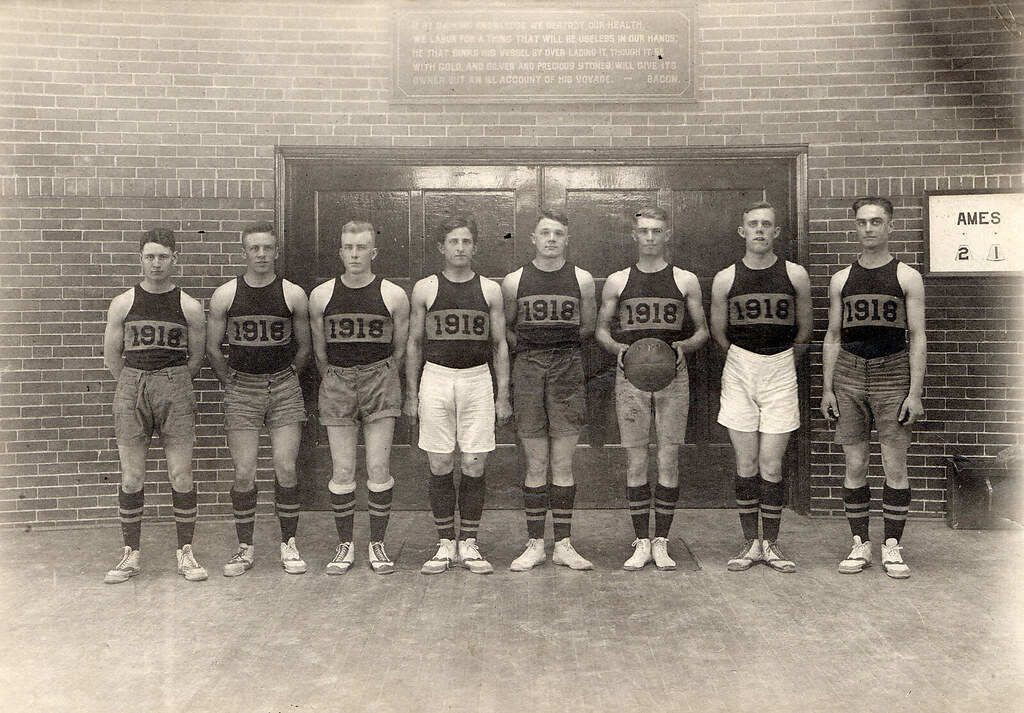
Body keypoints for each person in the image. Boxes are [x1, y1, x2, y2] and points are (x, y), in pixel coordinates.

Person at [595, 207, 709, 571]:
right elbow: (600, 330)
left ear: (667, 234)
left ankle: (662, 541)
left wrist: (685, 347)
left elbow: (703, 331)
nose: (649, 237)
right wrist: (618, 350)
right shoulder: (617, 280)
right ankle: (641, 540)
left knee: (669, 458)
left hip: (673, 376)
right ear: (634, 235)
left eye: (656, 231)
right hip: (630, 378)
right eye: (643, 231)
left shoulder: (685, 279)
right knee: (636, 459)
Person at [820, 197, 925, 579]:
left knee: (895, 465)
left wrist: (915, 392)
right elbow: (832, 335)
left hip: (893, 372)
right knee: (856, 463)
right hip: (848, 372)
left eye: (876, 221)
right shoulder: (841, 278)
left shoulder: (907, 277)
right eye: (862, 222)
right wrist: (828, 388)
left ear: (890, 226)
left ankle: (893, 546)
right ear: (855, 227)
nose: (869, 228)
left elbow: (917, 336)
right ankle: (859, 543)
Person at [404, 216, 512, 575]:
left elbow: (499, 344)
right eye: (453, 242)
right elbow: (414, 344)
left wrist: (503, 394)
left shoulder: (490, 289)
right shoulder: (425, 288)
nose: (460, 248)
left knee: (474, 463)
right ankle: (445, 543)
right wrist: (410, 394)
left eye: (466, 241)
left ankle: (469, 542)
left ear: (475, 246)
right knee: (440, 464)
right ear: (442, 247)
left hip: (477, 380)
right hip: (436, 378)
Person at [709, 201, 811, 573]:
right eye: (753, 224)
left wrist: (783, 361)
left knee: (772, 463)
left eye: (767, 224)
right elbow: (718, 333)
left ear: (776, 232)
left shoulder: (795, 274)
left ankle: (772, 544)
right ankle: (750, 543)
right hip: (739, 366)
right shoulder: (725, 278)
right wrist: (743, 360)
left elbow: (806, 330)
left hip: (781, 366)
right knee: (746, 461)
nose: (760, 231)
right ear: (742, 231)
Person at [102, 227, 208, 583]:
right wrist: (135, 382)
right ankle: (130, 554)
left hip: (175, 385)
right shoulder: (124, 302)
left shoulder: (189, 306)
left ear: (174, 258)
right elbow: (111, 357)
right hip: (132, 384)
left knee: (181, 474)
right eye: (150, 256)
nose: (157, 263)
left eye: (163, 256)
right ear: (141, 259)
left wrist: (171, 383)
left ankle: (186, 553)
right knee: (131, 477)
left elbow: (195, 359)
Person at [207, 223, 312, 577]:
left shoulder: (293, 294)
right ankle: (245, 547)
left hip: (283, 387)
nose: (262, 255)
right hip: (243, 389)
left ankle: (289, 544)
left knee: (285, 467)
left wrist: (289, 376)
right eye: (255, 249)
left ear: (276, 251)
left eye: (268, 248)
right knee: (244, 471)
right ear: (244, 252)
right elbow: (212, 348)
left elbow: (305, 346)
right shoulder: (226, 294)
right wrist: (232, 381)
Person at [309, 221, 410, 575]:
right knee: (343, 469)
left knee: (379, 468)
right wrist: (339, 378)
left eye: (361, 247)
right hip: (337, 379)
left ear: (373, 251)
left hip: (379, 378)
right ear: (340, 251)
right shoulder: (321, 295)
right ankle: (345, 545)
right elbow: (320, 354)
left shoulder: (393, 294)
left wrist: (377, 375)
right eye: (349, 247)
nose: (354, 253)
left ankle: (377, 545)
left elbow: (399, 350)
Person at [501, 209, 597, 571]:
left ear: (567, 239)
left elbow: (588, 326)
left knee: (563, 461)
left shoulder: (582, 279)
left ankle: (565, 545)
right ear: (533, 238)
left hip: (568, 365)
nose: (552, 239)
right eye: (545, 233)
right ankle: (535, 544)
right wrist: (531, 347)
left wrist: (557, 346)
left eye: (558, 233)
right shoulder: (515, 280)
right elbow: (506, 328)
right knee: (536, 461)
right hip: (528, 367)